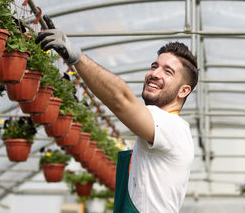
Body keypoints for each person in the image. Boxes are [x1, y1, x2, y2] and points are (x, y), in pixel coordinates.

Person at [36, 15, 198, 213]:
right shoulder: (161, 130)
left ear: (183, 91)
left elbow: (121, 100)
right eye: (154, 66)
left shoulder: (172, 127)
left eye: (168, 71)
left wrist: (76, 57)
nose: (155, 74)